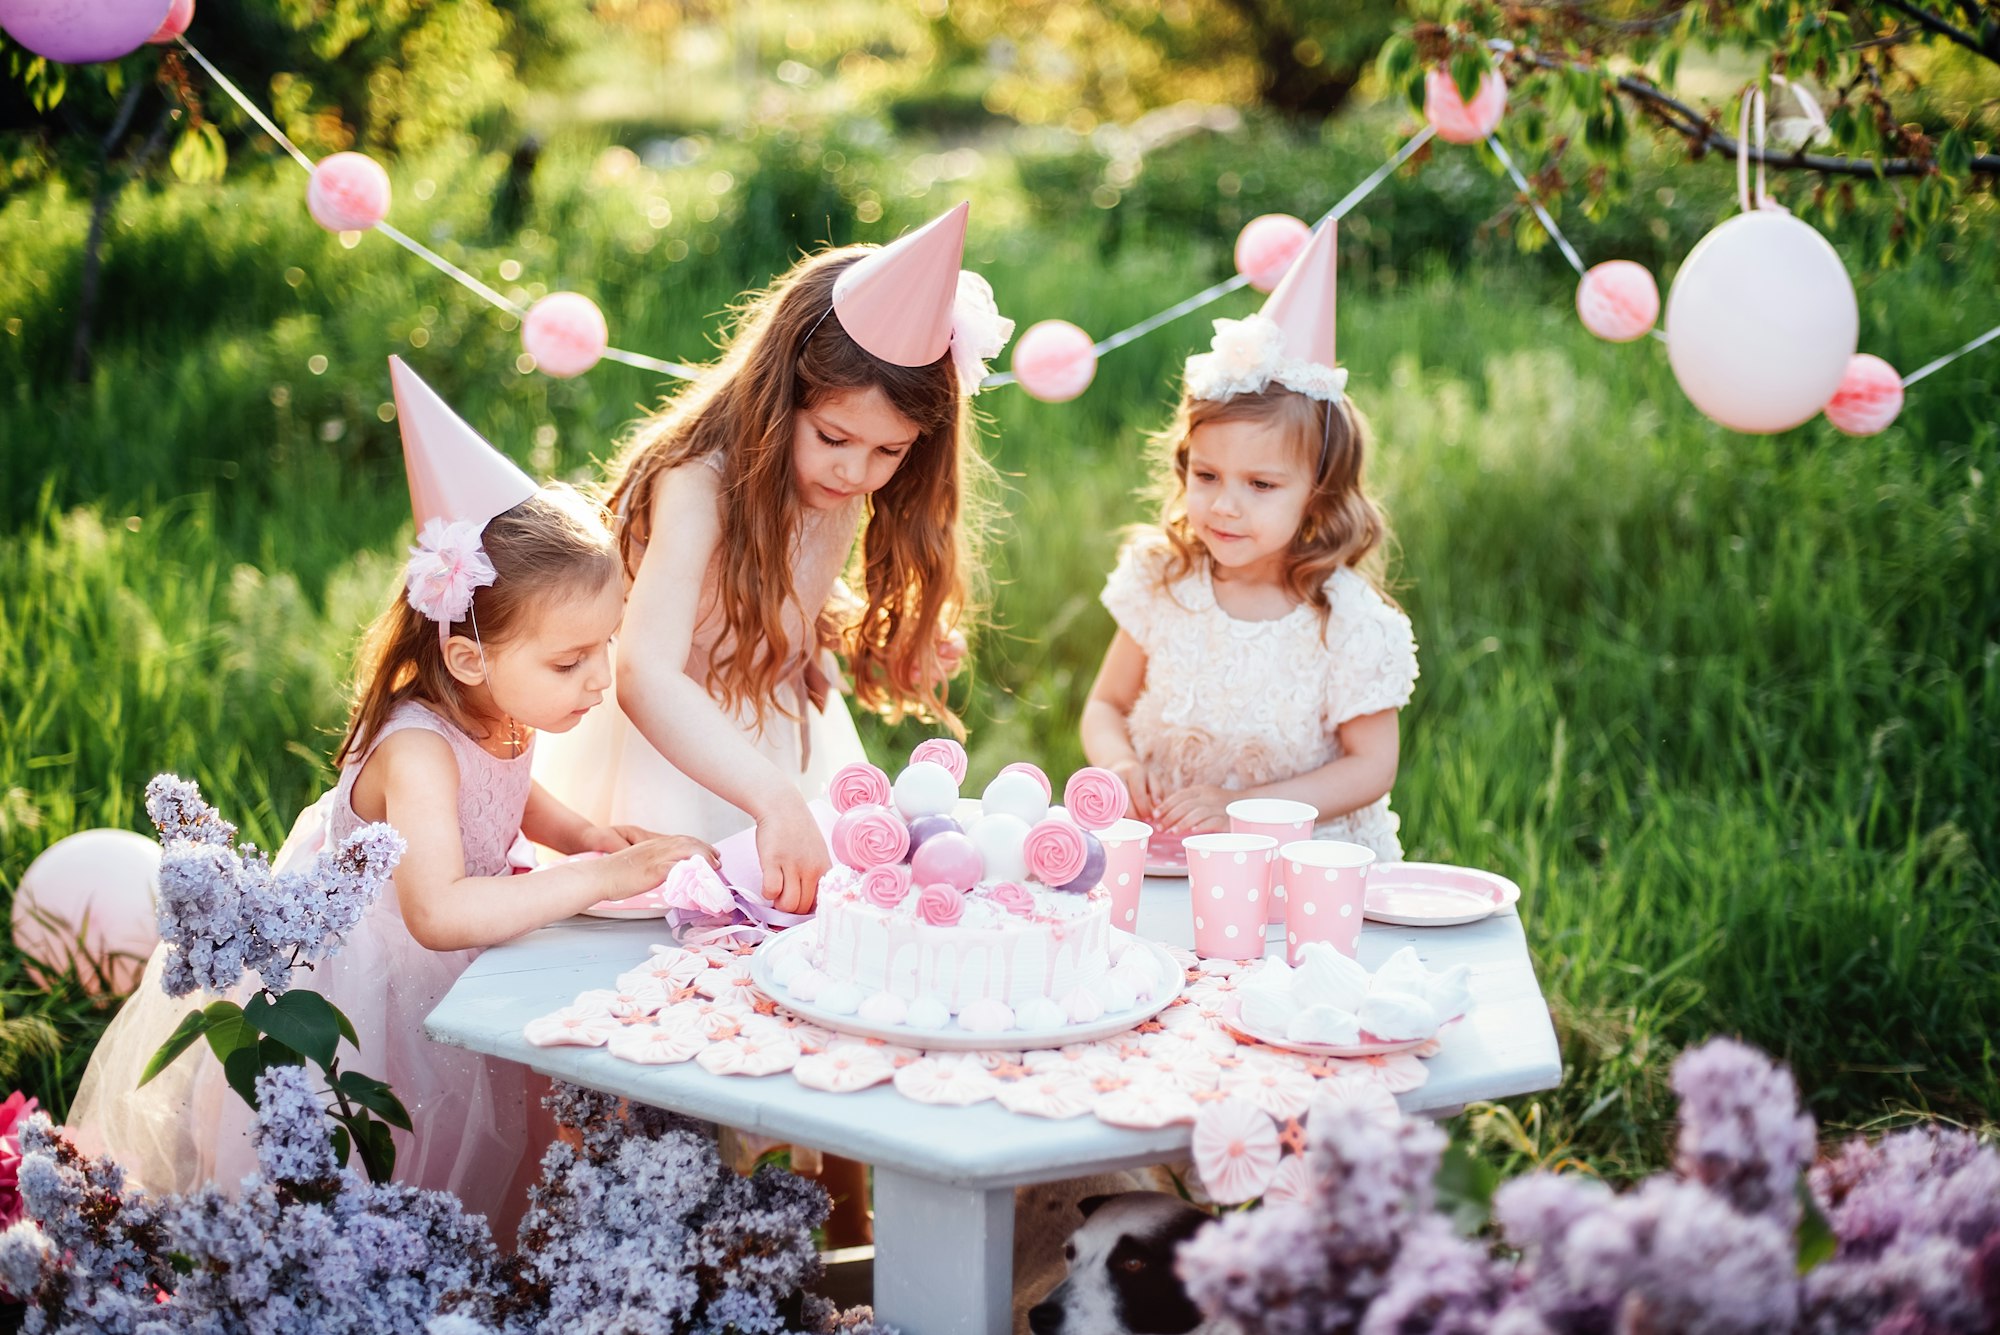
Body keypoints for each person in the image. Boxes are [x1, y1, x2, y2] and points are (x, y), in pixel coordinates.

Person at [69, 358, 712, 1224]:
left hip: (459, 956)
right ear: (468, 655)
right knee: (397, 1145)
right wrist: (597, 882)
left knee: (495, 1130)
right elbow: (438, 912)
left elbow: (510, 793)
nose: (601, 679)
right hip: (372, 989)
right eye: (570, 660)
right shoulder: (418, 752)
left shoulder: (503, 712)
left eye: (606, 645)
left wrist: (585, 837)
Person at [1081, 224, 1419, 860]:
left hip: (1296, 862)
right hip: (1171, 852)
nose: (1225, 506)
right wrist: (1121, 766)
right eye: (1207, 476)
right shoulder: (1164, 581)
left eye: (1261, 484)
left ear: (1318, 493)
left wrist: (1247, 815)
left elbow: (1371, 766)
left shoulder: (1346, 621)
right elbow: (1105, 703)